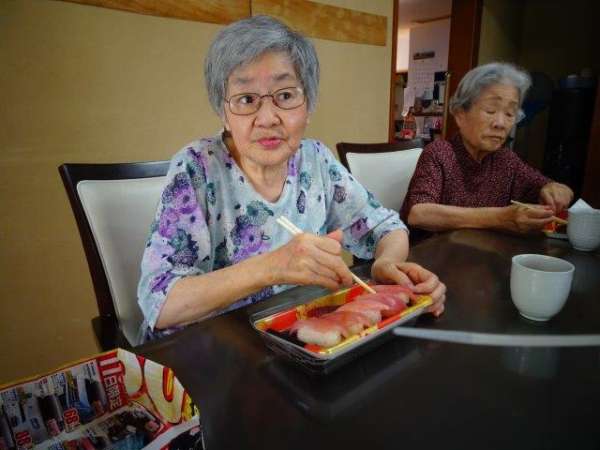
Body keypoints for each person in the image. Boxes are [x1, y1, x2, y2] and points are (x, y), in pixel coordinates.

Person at [137, 16, 446, 343]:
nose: (267, 118)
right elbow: (160, 304)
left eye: (285, 96)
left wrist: (387, 263)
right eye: (246, 99)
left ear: (308, 105)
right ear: (223, 113)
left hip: (291, 341)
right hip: (207, 351)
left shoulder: (315, 160)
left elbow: (386, 227)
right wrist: (271, 267)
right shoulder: (197, 168)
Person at [401, 62, 573, 234]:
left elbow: (543, 185)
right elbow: (419, 214)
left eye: (510, 114)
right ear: (460, 114)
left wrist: (557, 190)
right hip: (435, 249)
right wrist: (501, 218)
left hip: (482, 249)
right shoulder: (440, 152)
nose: (500, 123)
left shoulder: (505, 160)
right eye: (491, 110)